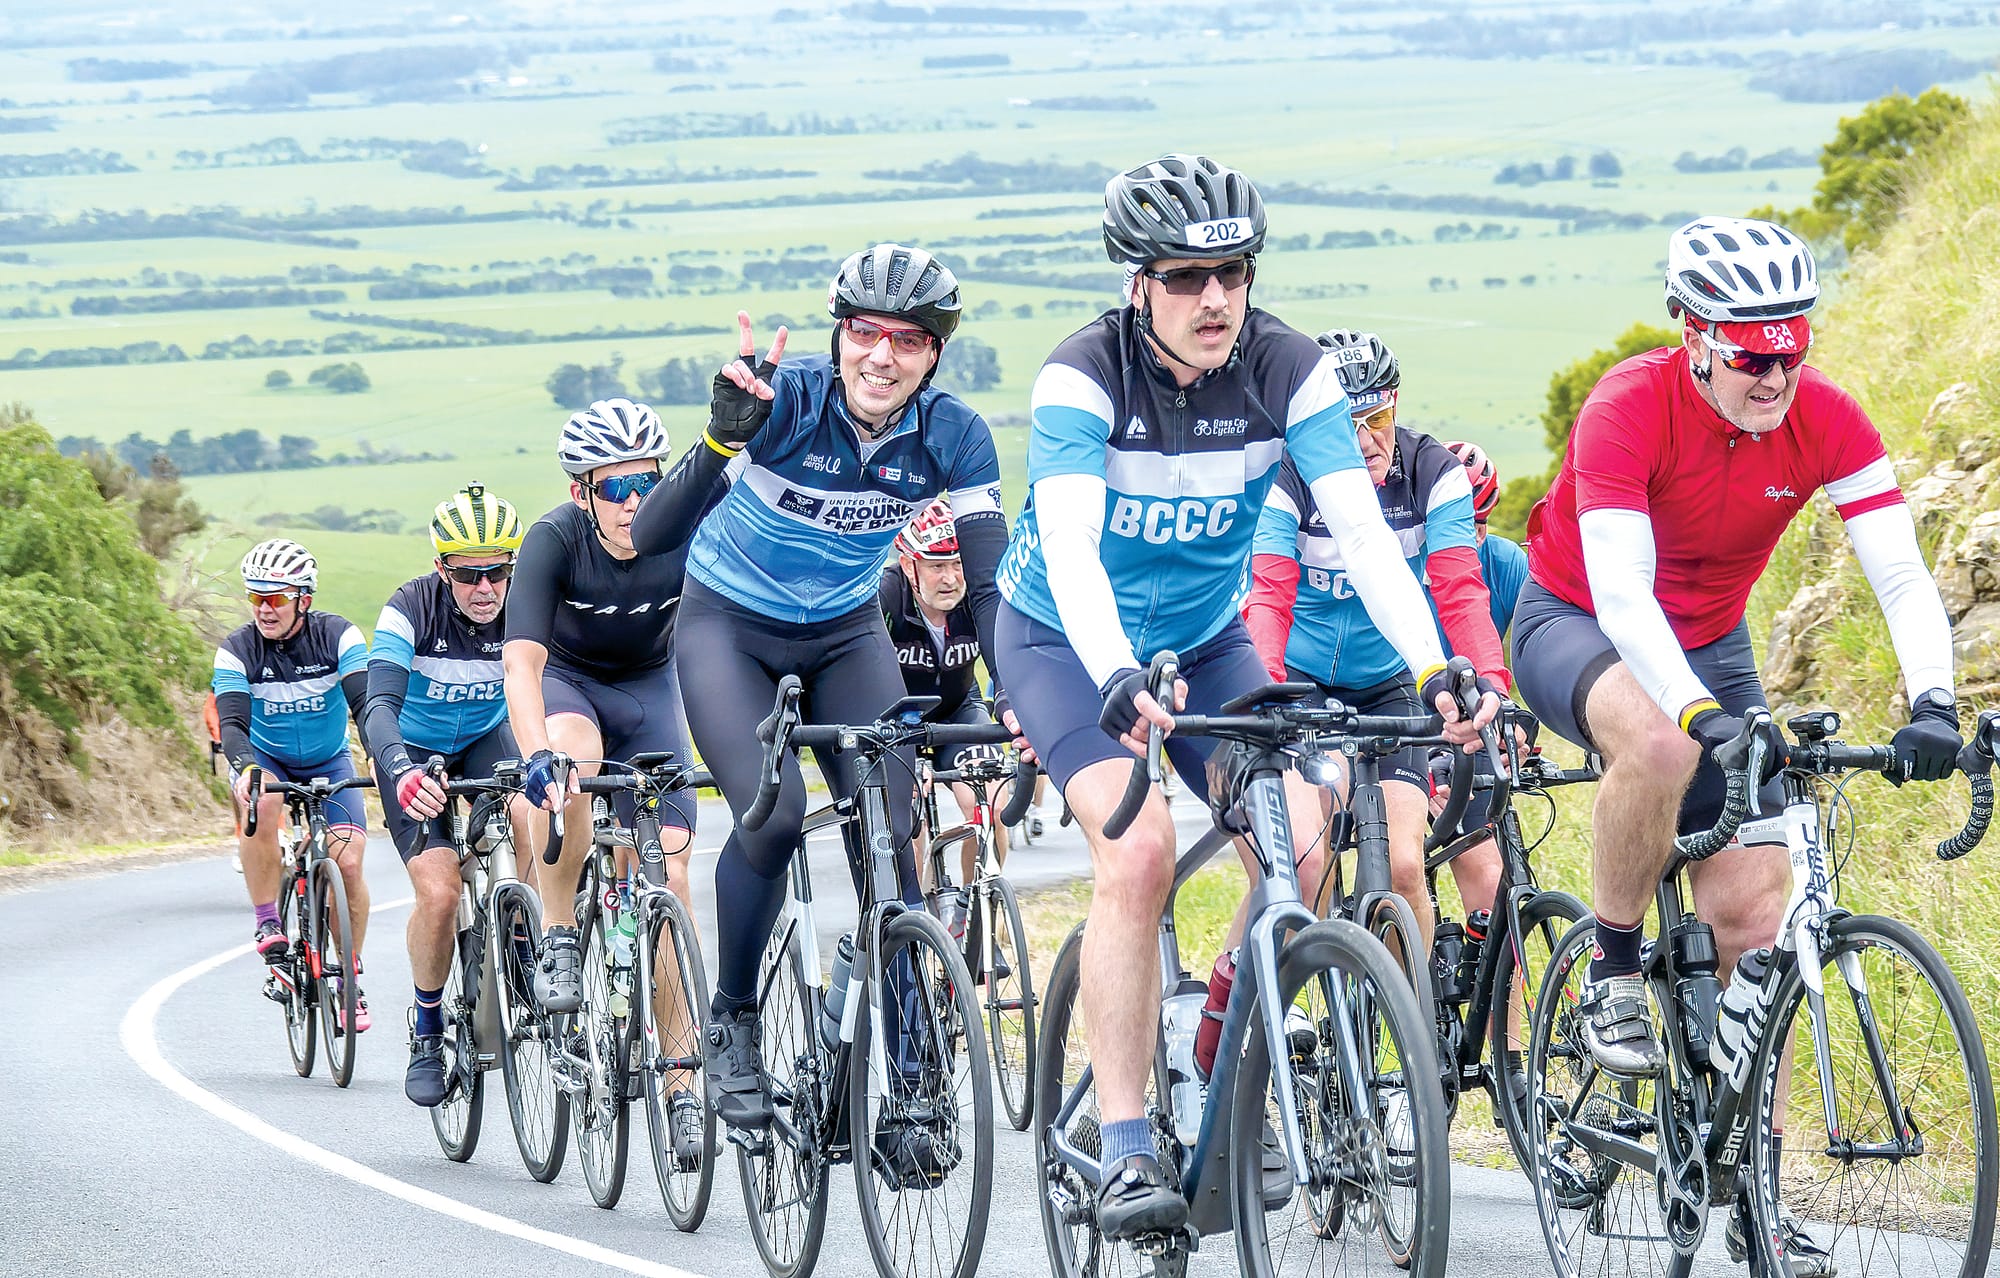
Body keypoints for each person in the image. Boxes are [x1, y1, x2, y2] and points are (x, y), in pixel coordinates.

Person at [989, 154, 1496, 1241]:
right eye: (1183, 277)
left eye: (1231, 273)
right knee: (1136, 857)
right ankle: (1125, 1144)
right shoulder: (1082, 377)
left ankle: (1224, 1045)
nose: (1213, 298)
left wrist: (1432, 663)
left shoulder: (1287, 370)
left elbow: (1360, 534)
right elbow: (1071, 553)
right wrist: (1118, 674)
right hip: (1064, 643)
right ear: (1138, 284)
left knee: (1303, 844)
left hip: (1206, 640)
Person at [1509, 215, 1960, 1273]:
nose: (1776, 372)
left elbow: (1897, 575)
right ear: (1694, 334)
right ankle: (1613, 970)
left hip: (1709, 637)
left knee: (1757, 914)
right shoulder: (1628, 402)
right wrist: (1694, 718)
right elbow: (1618, 590)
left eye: (1792, 345)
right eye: (1752, 351)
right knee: (1664, 757)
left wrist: (1934, 702)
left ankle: (1751, 1187)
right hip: (1572, 619)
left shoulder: (1825, 419)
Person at [630, 243, 1010, 1185]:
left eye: (909, 340)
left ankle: (914, 1084)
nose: (883, 356)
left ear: (935, 354)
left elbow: (992, 588)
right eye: (866, 332)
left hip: (844, 635)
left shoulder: (955, 437)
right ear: (841, 333)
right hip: (729, 629)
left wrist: (1016, 698)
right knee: (775, 813)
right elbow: (648, 537)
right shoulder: (781, 402)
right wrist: (721, 438)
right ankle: (732, 1021)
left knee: (895, 842)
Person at [1243, 328, 1512, 962]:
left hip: (1389, 685)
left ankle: (1417, 1032)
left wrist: (1490, 687)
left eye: (1378, 417)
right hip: (1299, 686)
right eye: (1345, 424)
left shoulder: (1432, 474)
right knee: (1307, 863)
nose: (1366, 442)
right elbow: (1269, 597)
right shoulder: (1285, 480)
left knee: (1401, 868)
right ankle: (1301, 1010)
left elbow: (1459, 589)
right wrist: (1262, 700)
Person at [502, 398, 722, 1160]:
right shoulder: (552, 541)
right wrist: (536, 754)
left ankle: (680, 1078)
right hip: (572, 688)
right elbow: (522, 664)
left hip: (650, 691)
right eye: (614, 489)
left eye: (646, 485)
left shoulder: (686, 524)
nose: (634, 504)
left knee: (672, 870)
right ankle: (561, 932)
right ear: (580, 493)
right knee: (572, 767)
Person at [365, 482, 543, 1106]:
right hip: (414, 756)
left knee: (533, 808)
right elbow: (377, 705)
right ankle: (427, 1025)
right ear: (442, 569)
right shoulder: (408, 610)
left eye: (498, 572)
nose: (485, 588)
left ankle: (523, 936)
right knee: (439, 893)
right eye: (469, 575)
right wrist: (399, 769)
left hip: (486, 741)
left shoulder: (525, 603)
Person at [211, 539, 370, 998]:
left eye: (276, 598)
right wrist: (244, 768)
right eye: (255, 597)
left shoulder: (339, 637)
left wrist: (382, 755)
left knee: (352, 864)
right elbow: (233, 724)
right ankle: (267, 923)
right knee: (262, 796)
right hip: (266, 758)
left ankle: (350, 976)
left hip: (329, 759)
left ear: (305, 598)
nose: (264, 608)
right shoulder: (236, 650)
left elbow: (364, 704)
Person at [881, 497, 1012, 885]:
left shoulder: (978, 597)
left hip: (958, 709)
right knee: (907, 817)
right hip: (895, 716)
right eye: (937, 566)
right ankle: (915, 921)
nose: (951, 578)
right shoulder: (885, 595)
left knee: (990, 803)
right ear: (909, 566)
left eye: (958, 564)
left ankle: (975, 913)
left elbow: (1006, 661)